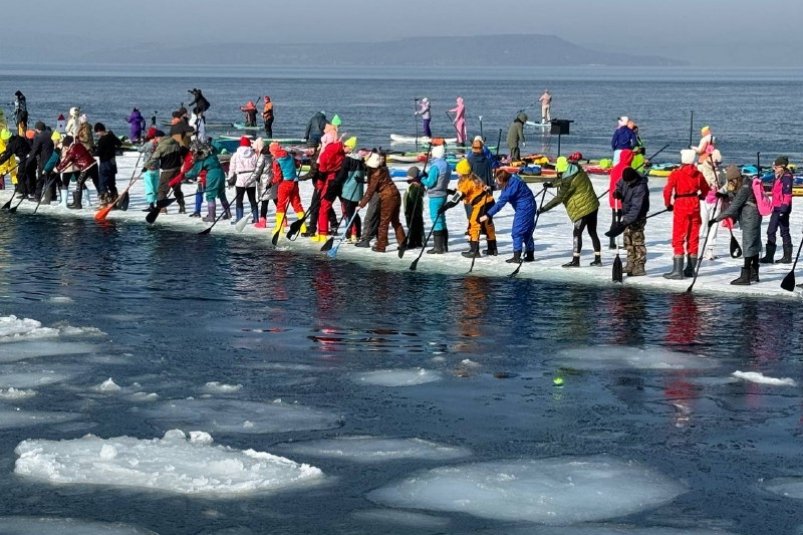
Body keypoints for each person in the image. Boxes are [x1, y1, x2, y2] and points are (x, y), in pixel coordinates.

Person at [539, 156, 602, 267]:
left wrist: (543, 209)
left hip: (582, 209)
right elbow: (565, 179)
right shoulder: (577, 169)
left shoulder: (567, 181)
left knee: (577, 233)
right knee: (592, 232)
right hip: (593, 205)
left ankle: (575, 261)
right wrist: (552, 184)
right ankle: (598, 259)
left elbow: (559, 198)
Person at [662, 149, 710, 279]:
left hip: (681, 204)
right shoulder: (698, 174)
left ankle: (677, 271)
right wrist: (701, 196)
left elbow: (667, 191)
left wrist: (668, 204)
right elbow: (706, 189)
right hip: (694, 204)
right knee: (693, 236)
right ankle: (690, 269)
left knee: (678, 236)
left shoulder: (676, 174)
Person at [714, 165, 762, 285]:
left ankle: (745, 276)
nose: (730, 182)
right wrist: (725, 195)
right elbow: (734, 199)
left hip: (750, 216)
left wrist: (716, 219)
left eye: (731, 180)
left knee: (749, 244)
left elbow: (734, 206)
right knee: (753, 243)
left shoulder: (745, 186)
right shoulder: (743, 182)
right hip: (749, 216)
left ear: (736, 177)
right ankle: (754, 273)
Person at [481, 169, 536, 263]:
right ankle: (530, 254)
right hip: (529, 205)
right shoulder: (512, 178)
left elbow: (499, 204)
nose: (496, 182)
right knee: (526, 231)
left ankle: (517, 256)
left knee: (517, 232)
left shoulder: (510, 188)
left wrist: (488, 214)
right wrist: (491, 187)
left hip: (524, 208)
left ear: (503, 179)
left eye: (497, 180)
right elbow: (503, 186)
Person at [606, 167, 650, 276]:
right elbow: (619, 185)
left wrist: (624, 222)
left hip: (638, 216)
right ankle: (630, 264)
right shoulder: (625, 179)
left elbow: (636, 208)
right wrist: (618, 192)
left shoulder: (641, 187)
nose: (627, 183)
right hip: (627, 214)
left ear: (634, 178)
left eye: (629, 181)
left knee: (637, 240)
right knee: (628, 240)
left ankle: (639, 266)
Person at [358, 152, 405, 253]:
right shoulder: (384, 170)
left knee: (383, 222)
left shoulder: (375, 174)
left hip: (388, 197)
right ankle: (403, 243)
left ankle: (381, 246)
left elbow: (370, 191)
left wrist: (361, 204)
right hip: (396, 194)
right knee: (395, 221)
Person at [455, 158, 496, 258]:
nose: (457, 173)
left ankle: (474, 251)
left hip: (481, 204)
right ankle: (492, 249)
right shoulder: (474, 177)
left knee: (474, 223)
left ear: (463, 172)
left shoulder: (466, 182)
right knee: (488, 224)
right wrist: (451, 192)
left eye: (458, 171)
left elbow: (458, 197)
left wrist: (446, 206)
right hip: (490, 201)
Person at [145, 123, 187, 214]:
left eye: (156, 138)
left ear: (159, 137)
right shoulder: (176, 143)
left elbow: (154, 158)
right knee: (177, 189)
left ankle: (162, 208)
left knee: (161, 190)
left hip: (167, 171)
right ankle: (182, 206)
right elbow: (184, 151)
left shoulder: (162, 146)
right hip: (177, 170)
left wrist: (146, 166)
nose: (156, 140)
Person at [760, 156, 794, 264]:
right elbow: (776, 192)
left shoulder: (787, 177)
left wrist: (783, 210)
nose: (774, 167)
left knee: (783, 231)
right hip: (776, 207)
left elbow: (787, 195)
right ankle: (770, 256)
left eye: (776, 166)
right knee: (771, 231)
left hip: (782, 208)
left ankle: (787, 257)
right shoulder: (778, 176)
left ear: (782, 166)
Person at [270, 141, 306, 238]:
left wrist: (271, 182)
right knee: (297, 204)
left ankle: (279, 229)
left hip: (284, 184)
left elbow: (277, 177)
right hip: (294, 183)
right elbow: (297, 165)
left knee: (280, 206)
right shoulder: (290, 156)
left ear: (273, 151)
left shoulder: (276, 161)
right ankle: (303, 228)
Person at [330, 137, 364, 243]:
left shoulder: (347, 159)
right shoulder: (360, 160)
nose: (343, 147)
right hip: (357, 190)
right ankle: (356, 234)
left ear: (351, 148)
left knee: (349, 213)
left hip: (349, 190)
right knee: (354, 212)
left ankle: (351, 235)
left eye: (345, 146)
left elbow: (342, 175)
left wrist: (334, 183)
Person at [314, 135, 346, 242]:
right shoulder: (341, 150)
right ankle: (352, 232)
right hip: (343, 180)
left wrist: (319, 187)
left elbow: (322, 174)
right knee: (346, 206)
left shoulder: (324, 155)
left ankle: (322, 233)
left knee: (324, 207)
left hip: (331, 181)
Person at [184, 142, 225, 223]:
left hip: (207, 178)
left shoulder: (201, 160)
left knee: (205, 195)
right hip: (220, 174)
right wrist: (210, 144)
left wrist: (185, 175)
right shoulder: (212, 154)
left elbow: (194, 172)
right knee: (221, 194)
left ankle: (207, 214)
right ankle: (227, 212)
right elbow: (220, 146)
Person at [421, 143, 451, 254]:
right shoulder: (447, 165)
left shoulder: (435, 166)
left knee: (436, 219)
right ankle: (444, 245)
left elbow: (430, 182)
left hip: (435, 195)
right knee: (442, 218)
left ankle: (438, 247)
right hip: (443, 194)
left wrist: (422, 178)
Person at [55, 136, 98, 209]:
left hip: (83, 167)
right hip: (89, 165)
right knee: (95, 182)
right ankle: (93, 200)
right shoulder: (78, 144)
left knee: (78, 183)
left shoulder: (70, 150)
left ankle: (77, 204)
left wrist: (57, 169)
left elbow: (65, 161)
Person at [227, 136, 259, 224]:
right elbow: (257, 166)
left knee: (239, 199)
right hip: (251, 178)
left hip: (240, 179)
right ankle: (256, 218)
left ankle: (239, 218)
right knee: (252, 199)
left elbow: (232, 168)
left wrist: (230, 178)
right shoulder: (254, 154)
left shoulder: (236, 155)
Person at [607, 148, 635, 249]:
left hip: (613, 198)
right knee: (626, 221)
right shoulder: (628, 169)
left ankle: (612, 241)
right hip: (624, 199)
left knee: (615, 220)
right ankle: (626, 242)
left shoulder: (615, 168)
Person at [94, 122, 122, 206]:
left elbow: (99, 152)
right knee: (111, 182)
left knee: (102, 182)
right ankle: (114, 199)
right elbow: (119, 143)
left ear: (99, 130)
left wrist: (93, 151)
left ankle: (104, 201)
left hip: (105, 163)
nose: (97, 134)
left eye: (97, 132)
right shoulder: (111, 136)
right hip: (113, 162)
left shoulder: (102, 140)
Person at [27, 121, 55, 201]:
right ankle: (51, 196)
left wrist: (29, 161)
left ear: (38, 129)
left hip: (43, 160)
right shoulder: (51, 133)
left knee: (40, 179)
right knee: (49, 178)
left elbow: (34, 150)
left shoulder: (39, 137)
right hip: (53, 159)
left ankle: (37, 197)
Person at [0, 129, 31, 197]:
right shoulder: (19, 138)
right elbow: (7, 151)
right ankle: (30, 191)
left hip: (24, 159)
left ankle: (24, 193)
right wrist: (2, 154)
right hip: (30, 157)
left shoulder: (12, 144)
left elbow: (7, 155)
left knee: (20, 175)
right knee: (28, 175)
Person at [139, 129, 164, 211]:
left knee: (149, 186)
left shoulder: (148, 144)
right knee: (156, 186)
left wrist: (143, 143)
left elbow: (140, 150)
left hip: (148, 168)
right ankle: (158, 204)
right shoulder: (159, 144)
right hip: (156, 168)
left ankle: (151, 204)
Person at [403, 166, 425, 249]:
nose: (407, 177)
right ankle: (418, 241)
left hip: (412, 210)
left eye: (408, 176)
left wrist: (409, 211)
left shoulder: (414, 187)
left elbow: (411, 200)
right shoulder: (415, 185)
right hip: (416, 210)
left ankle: (412, 242)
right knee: (417, 225)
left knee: (412, 225)